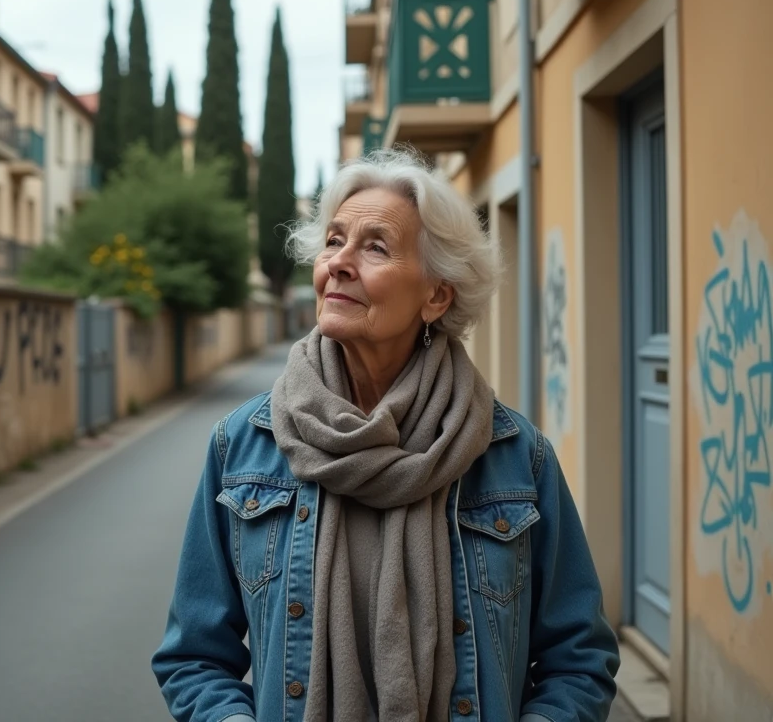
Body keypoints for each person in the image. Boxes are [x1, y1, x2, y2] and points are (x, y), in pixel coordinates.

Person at [152, 149, 619, 722]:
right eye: (333, 241)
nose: (339, 263)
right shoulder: (244, 447)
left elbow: (580, 659)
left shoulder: (516, 458)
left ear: (437, 295)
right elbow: (194, 659)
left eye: (375, 247)